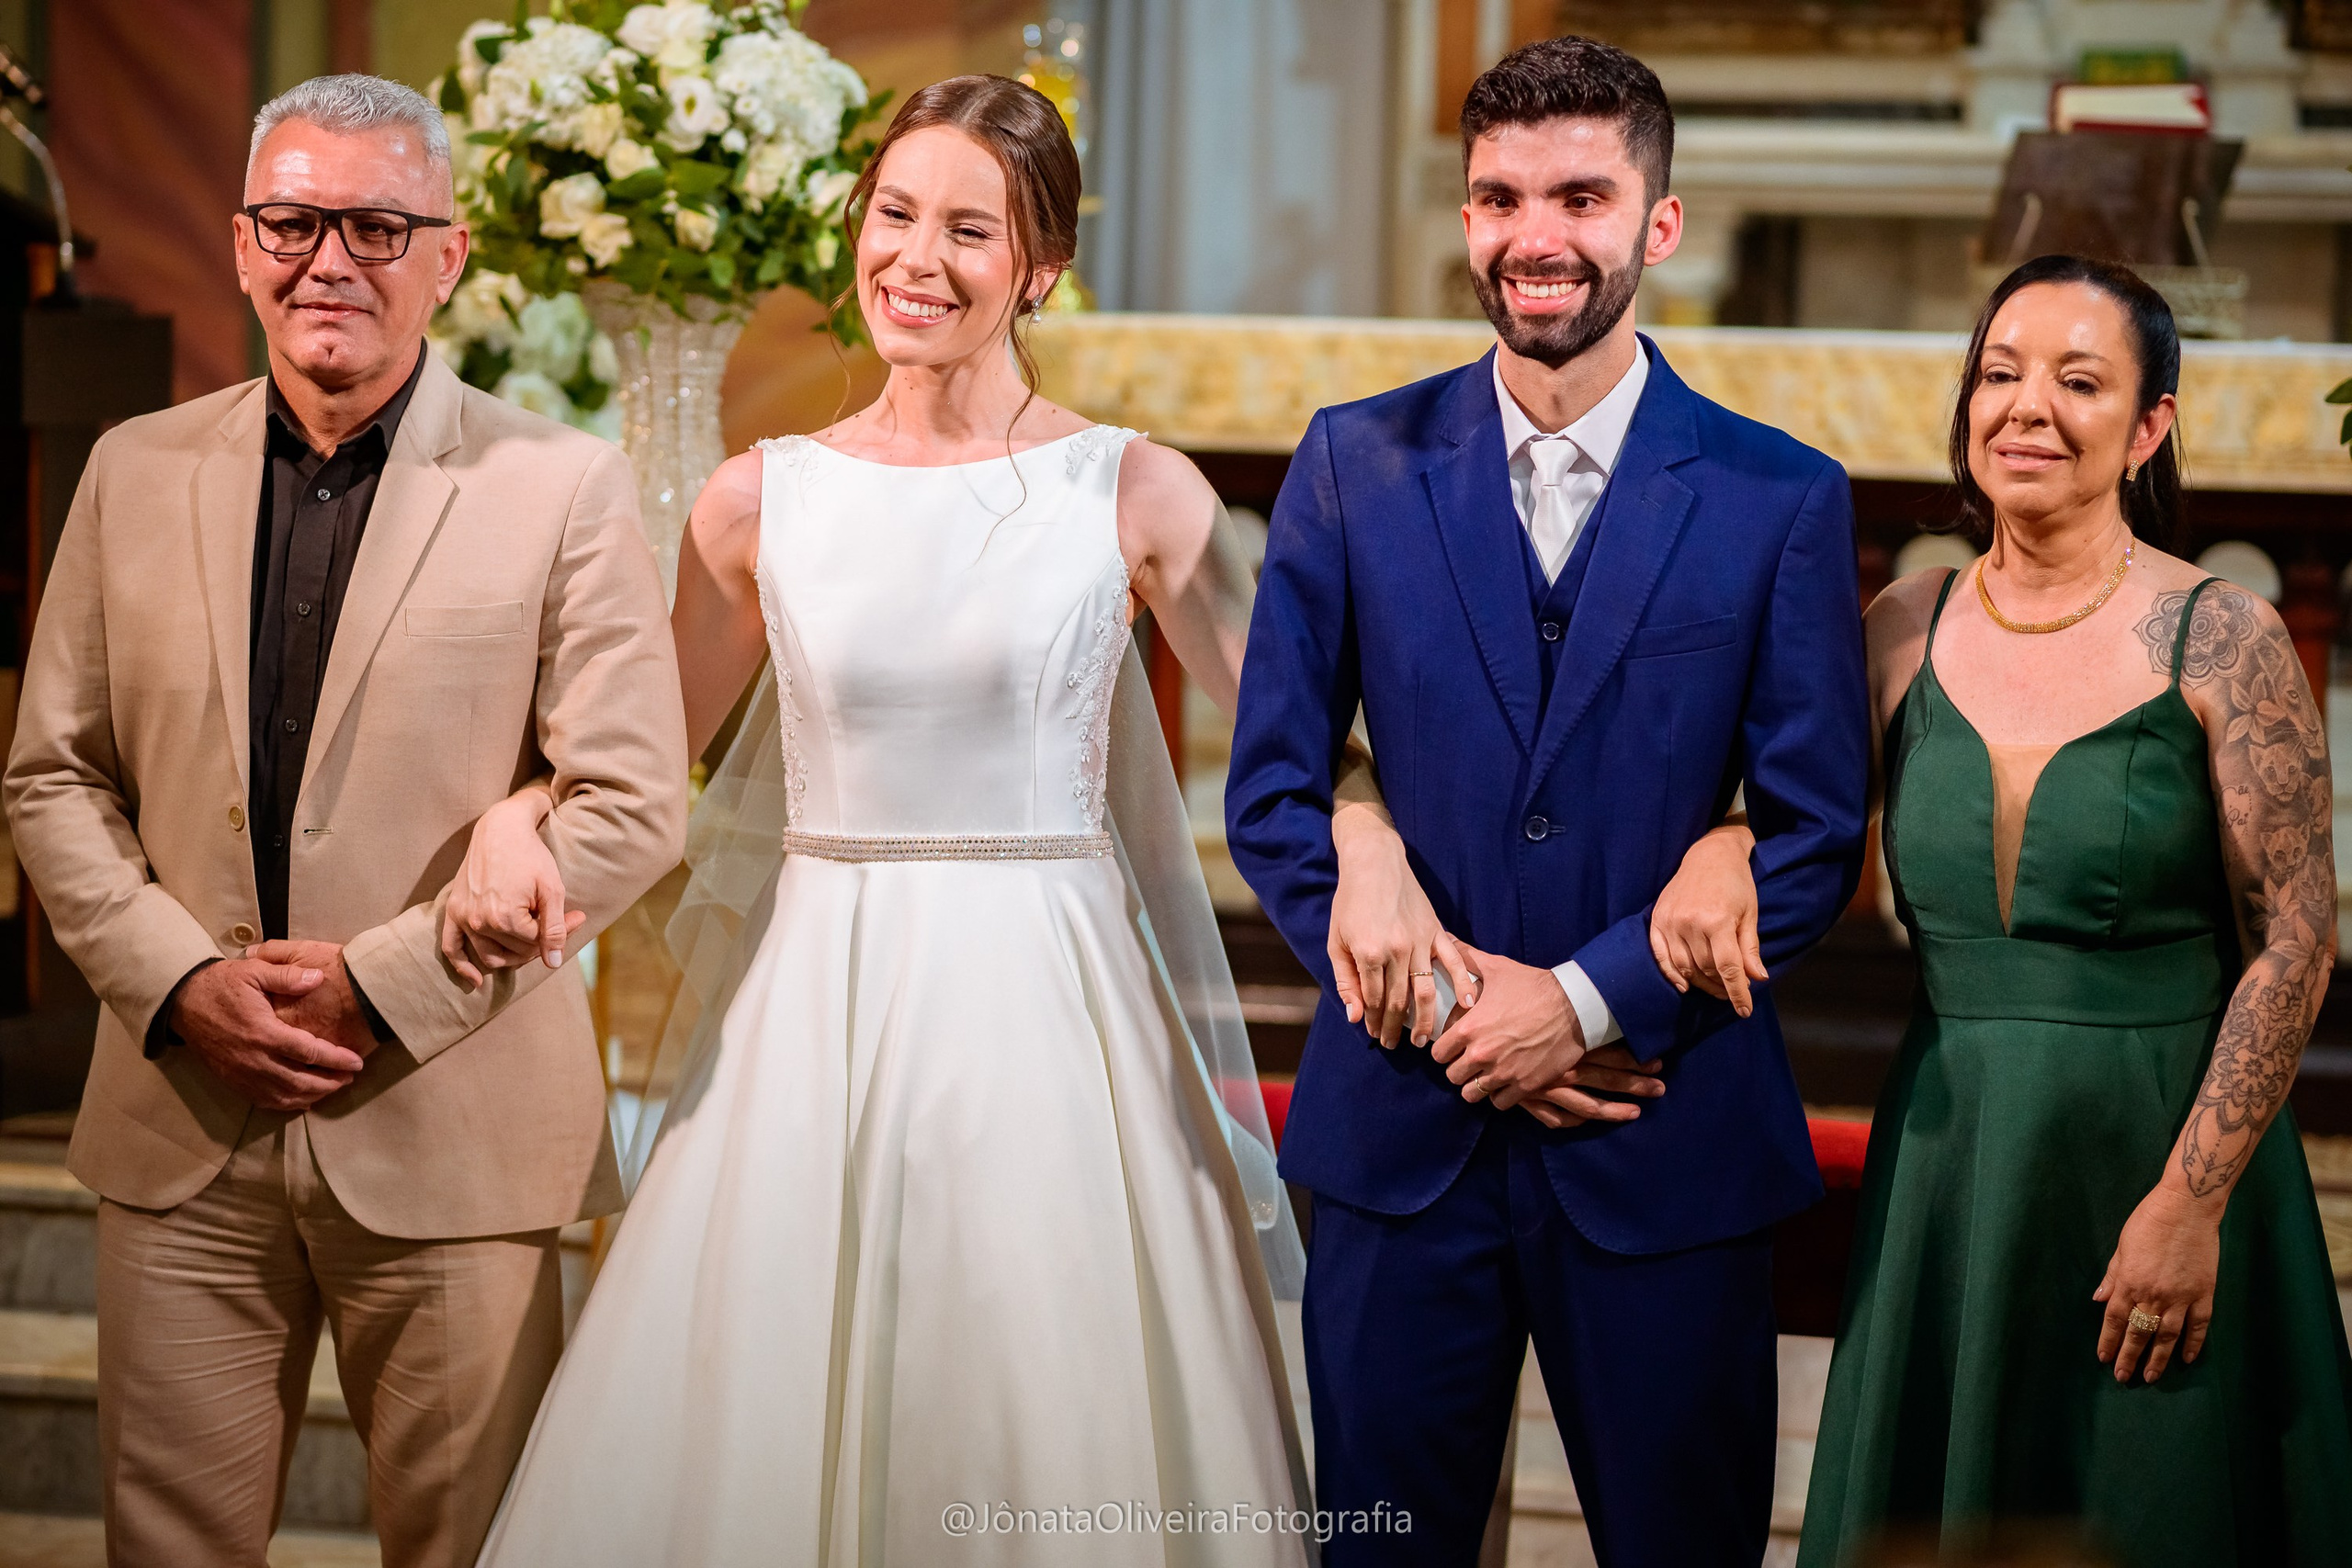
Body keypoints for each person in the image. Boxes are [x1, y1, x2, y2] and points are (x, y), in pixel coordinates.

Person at [458, 75, 1359, 1566]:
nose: (916, 260)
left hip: (1053, 1011)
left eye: (969, 230)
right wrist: (515, 822)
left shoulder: (1134, 494)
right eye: (893, 215)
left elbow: (1306, 747)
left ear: (1042, 268)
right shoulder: (759, 504)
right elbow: (642, 754)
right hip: (818, 1002)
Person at [1, 75, 687, 1568]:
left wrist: (383, 982)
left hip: (449, 1123)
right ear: (242, 246)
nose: (332, 260)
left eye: (378, 227)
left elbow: (635, 803)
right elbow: (51, 778)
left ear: (446, 259)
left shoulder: (560, 486)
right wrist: (181, 982)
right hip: (184, 1120)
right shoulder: (131, 469)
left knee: (469, 1548)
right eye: (295, 221)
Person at [1225, 35, 1871, 1568]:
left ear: (1657, 221)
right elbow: (1270, 792)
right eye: (1498, 197)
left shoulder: (1780, 496)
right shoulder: (1351, 464)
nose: (1534, 236)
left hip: (1663, 1128)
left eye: (1580, 194)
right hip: (1403, 1125)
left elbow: (1814, 832)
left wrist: (1583, 1002)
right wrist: (1459, 1002)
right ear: (1465, 219)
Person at [1652, 254, 2352, 1566]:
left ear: (2149, 427)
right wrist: (1724, 846)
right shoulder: (1900, 626)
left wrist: (2192, 1200)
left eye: (2079, 380)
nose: (2027, 405)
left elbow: (2297, 943)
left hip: (2162, 1143)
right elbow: (1791, 816)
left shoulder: (2222, 635)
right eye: (1999, 372)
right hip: (1956, 1155)